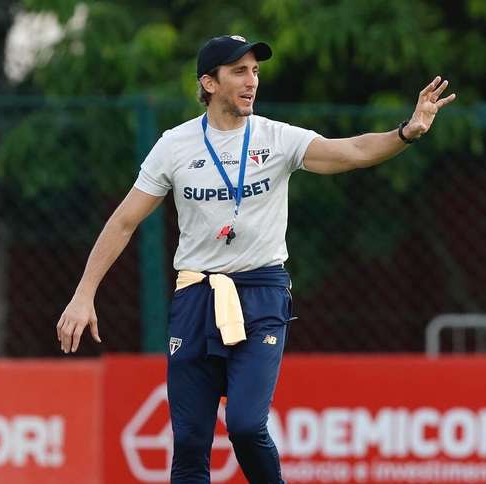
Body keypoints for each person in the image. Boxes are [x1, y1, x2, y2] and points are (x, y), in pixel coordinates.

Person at [56, 34, 456, 483]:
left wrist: (407, 132)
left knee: (246, 426)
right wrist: (83, 294)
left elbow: (355, 151)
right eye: (239, 72)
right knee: (189, 443)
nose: (252, 82)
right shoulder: (174, 145)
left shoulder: (277, 138)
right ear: (209, 82)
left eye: (256, 72)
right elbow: (124, 221)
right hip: (196, 296)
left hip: (261, 294)